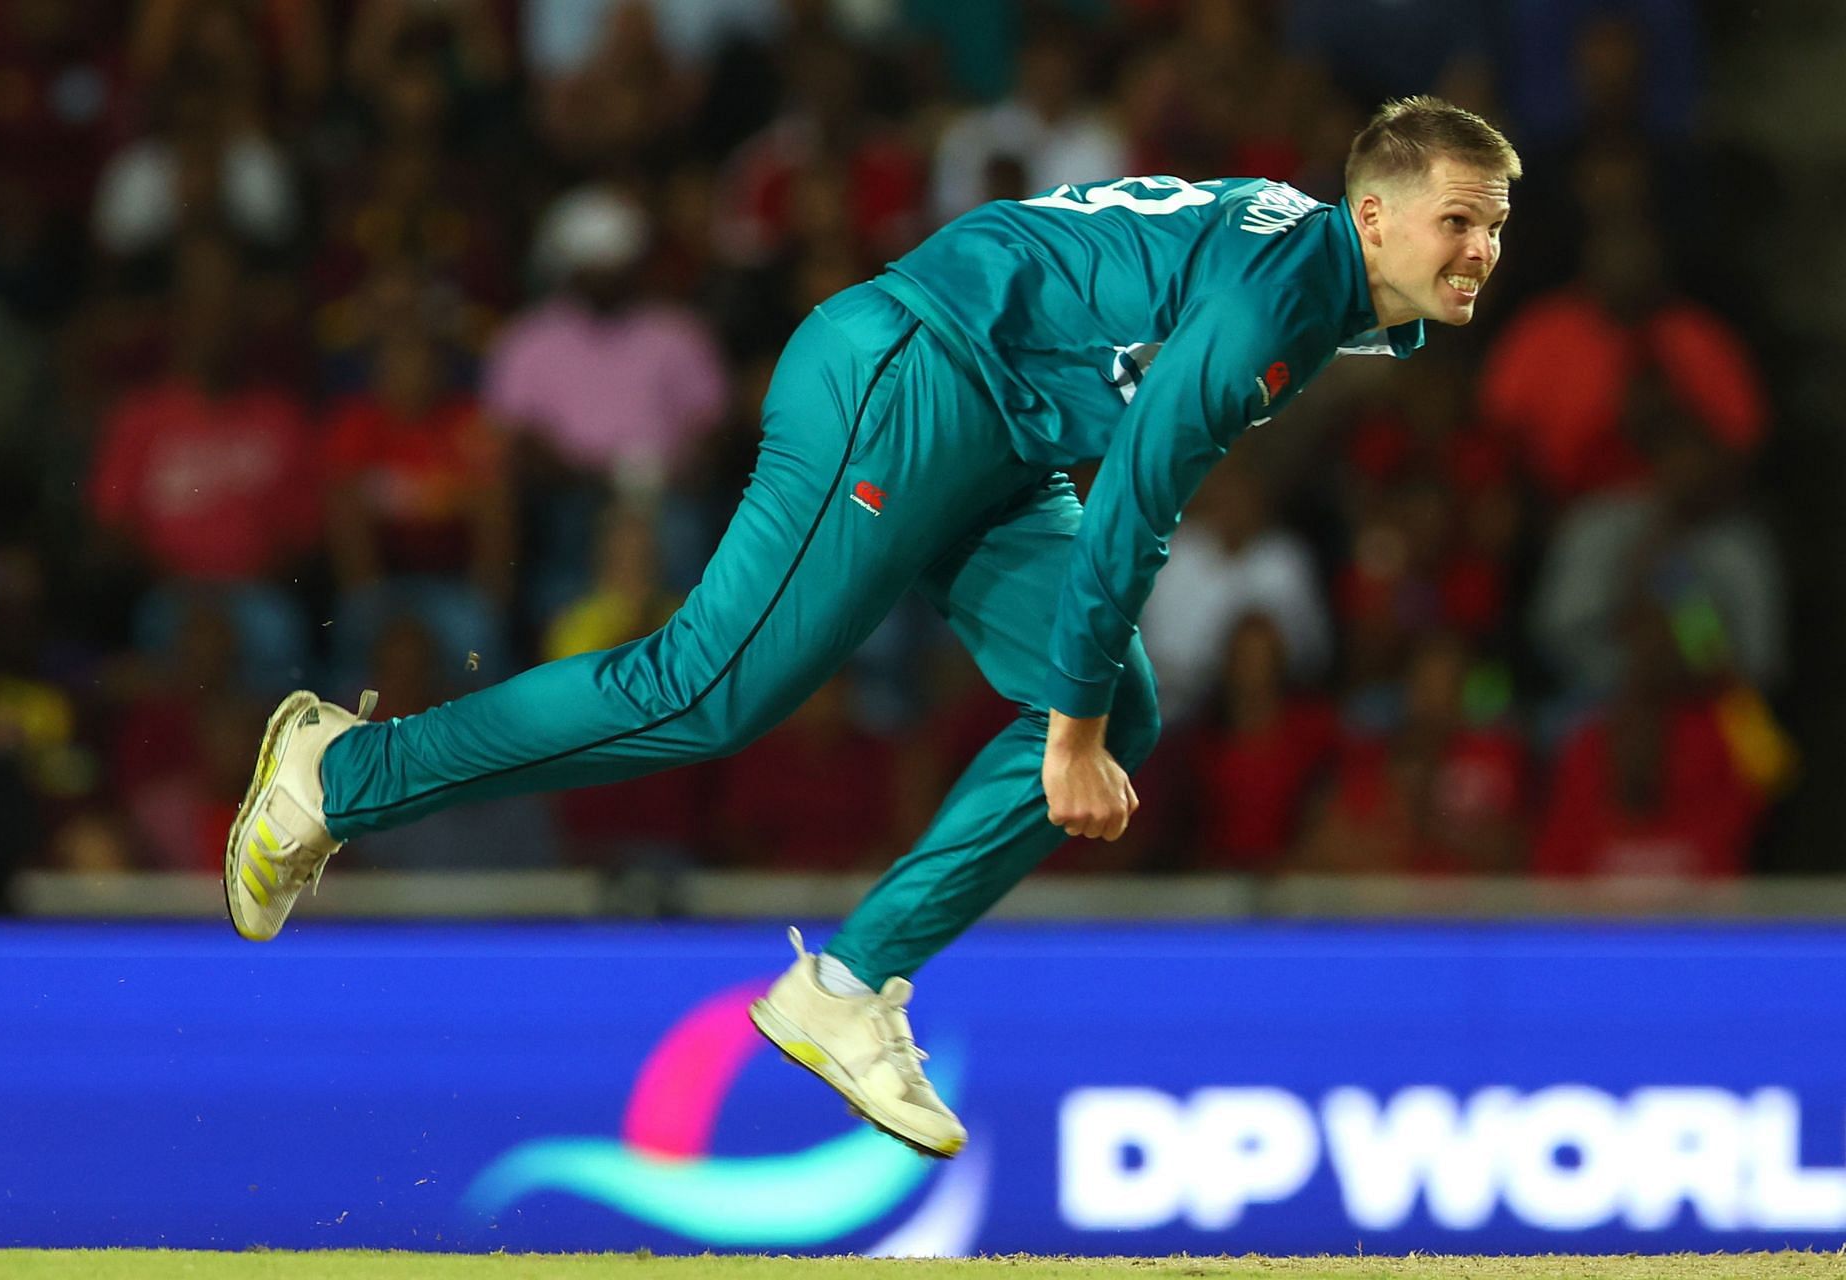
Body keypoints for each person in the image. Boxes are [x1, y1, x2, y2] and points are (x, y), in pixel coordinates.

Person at [225, 96, 1518, 1160]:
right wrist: (1061, 737)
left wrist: (1085, 718)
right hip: (911, 377)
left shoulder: (1322, 272)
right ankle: (339, 772)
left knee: (1126, 709)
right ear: (1373, 216)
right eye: (1458, 222)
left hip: (997, 422)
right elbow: (1136, 504)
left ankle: (845, 990)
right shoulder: (1275, 302)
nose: (1480, 251)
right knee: (704, 692)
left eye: (1496, 228)